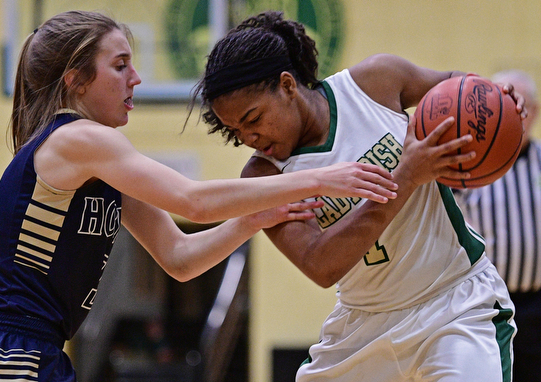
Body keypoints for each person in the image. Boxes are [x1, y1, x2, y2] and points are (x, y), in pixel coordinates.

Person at [0, 10, 402, 382]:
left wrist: (251, 220)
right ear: (76, 80)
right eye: (120, 64)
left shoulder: (98, 163)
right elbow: (192, 201)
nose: (137, 78)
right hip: (10, 355)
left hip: (39, 352)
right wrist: (320, 178)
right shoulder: (77, 139)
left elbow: (179, 257)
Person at [192, 11, 527, 382]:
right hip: (363, 327)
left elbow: (454, 86)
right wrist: (405, 178)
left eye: (253, 118)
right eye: (235, 130)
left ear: (287, 85)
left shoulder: (374, 82)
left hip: (455, 302)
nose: (248, 137)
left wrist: (496, 100)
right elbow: (321, 265)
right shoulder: (263, 176)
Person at [454, 70, 541, 382]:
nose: (516, 115)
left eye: (522, 106)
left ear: (535, 111)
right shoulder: (470, 166)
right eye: (505, 105)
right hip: (486, 301)